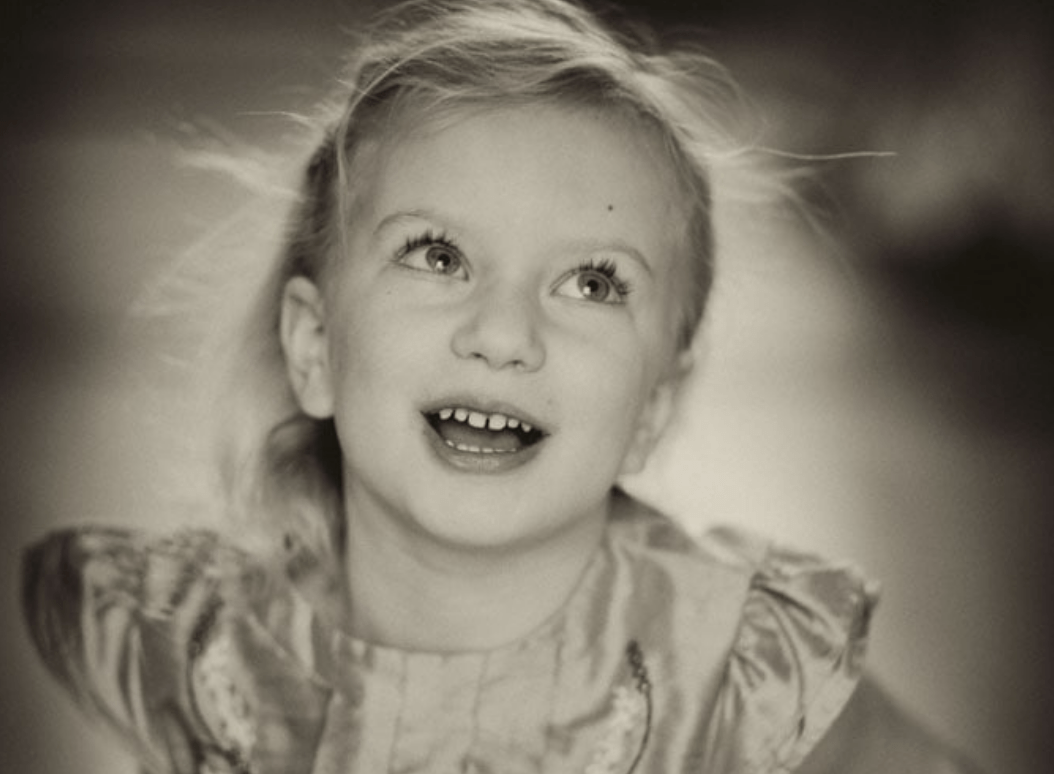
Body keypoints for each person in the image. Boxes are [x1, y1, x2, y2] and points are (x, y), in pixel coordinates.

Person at [22, 1, 981, 772]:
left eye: (593, 283)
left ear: (652, 410)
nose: (504, 334)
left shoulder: (733, 666)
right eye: (437, 254)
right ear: (315, 346)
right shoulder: (212, 651)